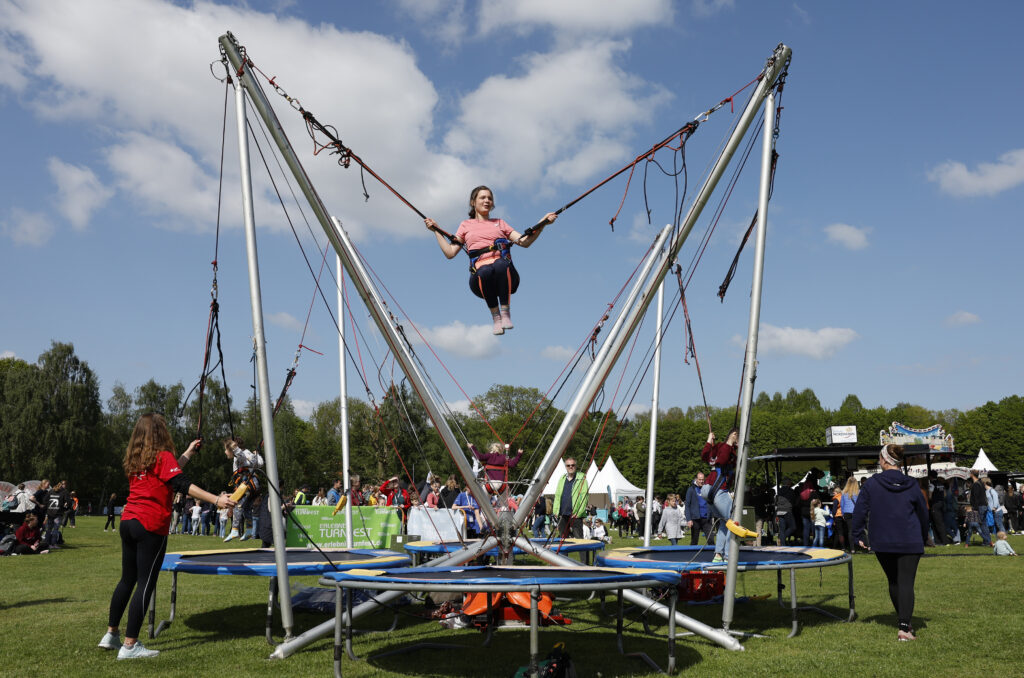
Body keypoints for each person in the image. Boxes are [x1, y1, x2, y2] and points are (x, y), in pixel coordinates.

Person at [100, 413, 235, 659]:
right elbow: (181, 483)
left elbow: (167, 475)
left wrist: (187, 453)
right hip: (150, 524)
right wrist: (217, 499)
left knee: (126, 580)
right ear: (160, 432)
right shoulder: (162, 456)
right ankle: (130, 645)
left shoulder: (136, 458)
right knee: (145, 583)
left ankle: (111, 635)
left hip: (129, 520)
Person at [425, 186, 557, 335]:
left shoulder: (500, 223)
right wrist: (436, 231)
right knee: (485, 270)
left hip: (506, 275)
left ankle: (505, 313)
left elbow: (524, 241)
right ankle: (496, 317)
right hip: (481, 279)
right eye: (482, 197)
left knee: (500, 264)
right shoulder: (465, 225)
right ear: (473, 202)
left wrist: (543, 223)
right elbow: (450, 253)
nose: (487, 200)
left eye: (489, 198)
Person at [850, 444, 928, 642]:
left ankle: (903, 622)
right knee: (906, 582)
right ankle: (904, 626)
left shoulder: (871, 484)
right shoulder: (912, 484)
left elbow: (859, 510)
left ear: (884, 460)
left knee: (894, 581)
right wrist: (924, 535)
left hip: (883, 539)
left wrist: (857, 534)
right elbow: (922, 512)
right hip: (910, 538)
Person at [701, 428, 739, 563]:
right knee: (733, 522)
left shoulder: (716, 447)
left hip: (707, 489)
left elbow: (705, 456)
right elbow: (722, 461)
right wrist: (730, 442)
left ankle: (718, 555)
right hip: (718, 489)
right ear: (734, 438)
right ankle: (728, 555)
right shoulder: (727, 449)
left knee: (724, 523)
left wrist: (708, 441)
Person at [223, 438, 264, 542]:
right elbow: (259, 463)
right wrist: (257, 455)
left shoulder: (241, 454)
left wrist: (235, 449)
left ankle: (235, 530)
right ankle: (249, 529)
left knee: (237, 504)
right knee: (246, 508)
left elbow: (243, 457)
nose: (225, 452)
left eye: (226, 449)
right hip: (252, 485)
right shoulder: (246, 454)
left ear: (232, 449)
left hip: (248, 484)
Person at [552, 458, 589, 539]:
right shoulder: (562, 479)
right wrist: (555, 510)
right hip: (562, 514)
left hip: (575, 515)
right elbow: (557, 496)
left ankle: (583, 552)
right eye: (568, 465)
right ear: (566, 467)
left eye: (572, 465)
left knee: (579, 540)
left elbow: (584, 497)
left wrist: (579, 513)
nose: (570, 467)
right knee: (562, 540)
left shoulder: (582, 479)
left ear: (576, 466)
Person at [685, 472, 712, 546]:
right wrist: (689, 519)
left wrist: (711, 514)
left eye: (703, 479)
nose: (701, 481)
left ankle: (714, 556)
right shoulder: (691, 489)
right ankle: (692, 556)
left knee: (711, 540)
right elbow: (687, 505)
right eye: (700, 479)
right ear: (696, 479)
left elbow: (711, 502)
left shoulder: (707, 488)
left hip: (706, 519)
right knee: (694, 541)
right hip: (695, 519)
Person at [968, 470, 992, 547]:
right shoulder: (981, 483)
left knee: (980, 525)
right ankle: (987, 541)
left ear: (972, 475)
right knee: (984, 524)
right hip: (983, 506)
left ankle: (987, 541)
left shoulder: (976, 484)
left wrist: (975, 509)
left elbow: (976, 497)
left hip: (980, 507)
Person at [838, 477, 860, 553]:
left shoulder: (844, 493)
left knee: (850, 531)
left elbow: (842, 505)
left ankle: (852, 549)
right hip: (856, 512)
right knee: (858, 530)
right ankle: (861, 545)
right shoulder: (858, 492)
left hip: (847, 513)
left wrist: (843, 514)